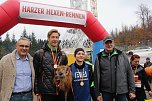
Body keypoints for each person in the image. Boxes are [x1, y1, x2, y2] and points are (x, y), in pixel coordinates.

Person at [94, 36, 136, 101]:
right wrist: (97, 94)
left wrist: (132, 90)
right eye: (107, 43)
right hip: (106, 91)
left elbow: (129, 73)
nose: (109, 45)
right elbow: (96, 76)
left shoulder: (122, 55)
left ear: (114, 43)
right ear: (103, 44)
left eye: (110, 42)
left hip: (121, 90)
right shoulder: (99, 57)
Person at [33, 29, 68, 101]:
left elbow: (66, 73)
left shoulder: (63, 55)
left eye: (57, 37)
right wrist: (37, 92)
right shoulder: (40, 54)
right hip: (46, 92)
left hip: (60, 91)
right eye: (53, 37)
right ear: (48, 38)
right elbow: (36, 74)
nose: (55, 39)